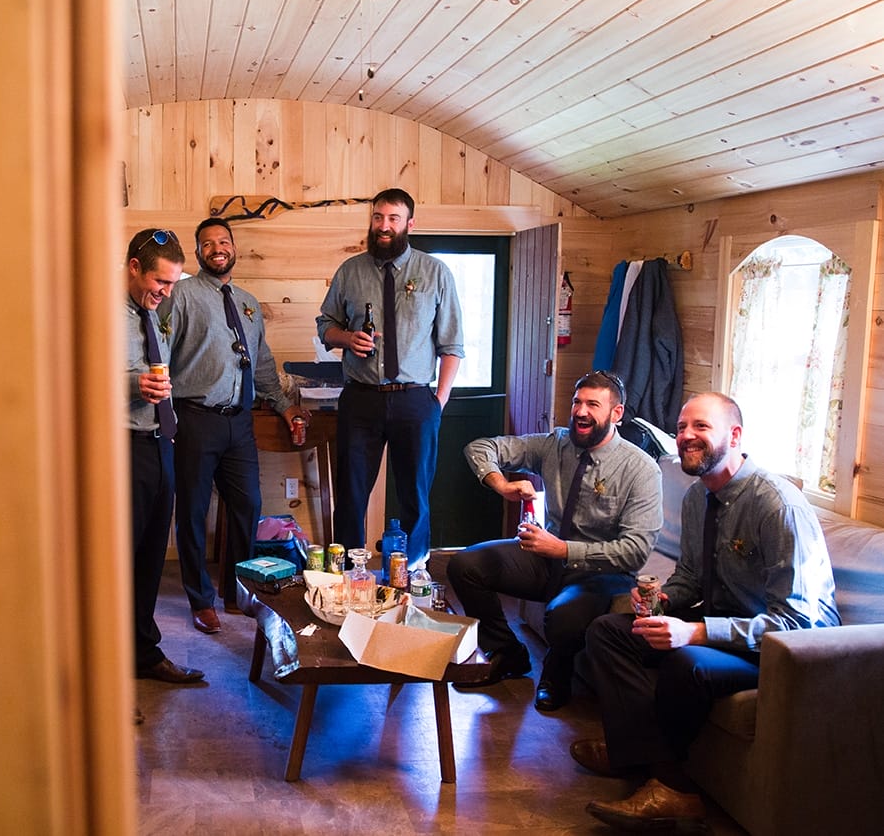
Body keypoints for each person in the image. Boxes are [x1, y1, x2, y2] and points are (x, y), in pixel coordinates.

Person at [573, 392, 838, 831]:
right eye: (681, 428)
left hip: (786, 653)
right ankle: (635, 755)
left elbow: (799, 622)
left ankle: (672, 789)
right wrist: (662, 601)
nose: (686, 437)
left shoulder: (777, 506)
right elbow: (692, 577)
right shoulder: (699, 496)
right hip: (725, 624)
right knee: (608, 631)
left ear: (734, 436)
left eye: (701, 427)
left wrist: (696, 633)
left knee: (686, 663)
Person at [447, 370, 662, 712]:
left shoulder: (642, 470)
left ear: (616, 414)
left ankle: (556, 673)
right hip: (547, 557)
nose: (581, 411)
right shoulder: (554, 444)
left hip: (600, 572)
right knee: (465, 565)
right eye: (577, 402)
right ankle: (508, 653)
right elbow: (480, 447)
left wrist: (562, 549)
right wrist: (502, 485)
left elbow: (634, 552)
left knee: (563, 618)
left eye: (593, 404)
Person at [163, 217, 307, 634]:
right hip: (194, 420)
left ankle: (237, 590)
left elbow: (262, 364)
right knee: (191, 511)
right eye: (207, 244)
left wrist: (282, 406)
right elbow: (161, 351)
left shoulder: (247, 302)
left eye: (223, 241)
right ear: (198, 253)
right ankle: (200, 599)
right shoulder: (182, 295)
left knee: (247, 506)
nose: (217, 248)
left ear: (234, 248)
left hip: (239, 423)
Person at [315, 188, 464, 570]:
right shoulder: (350, 271)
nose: (384, 226)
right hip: (360, 397)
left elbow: (452, 345)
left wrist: (438, 401)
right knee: (350, 493)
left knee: (415, 494)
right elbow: (325, 325)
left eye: (393, 219)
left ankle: (411, 570)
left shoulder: (435, 273)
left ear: (409, 224)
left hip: (416, 399)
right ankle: (344, 573)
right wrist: (347, 338)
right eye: (378, 217)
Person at [125, 228, 205, 695]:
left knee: (152, 557)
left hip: (159, 442)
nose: (168, 292)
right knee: (117, 562)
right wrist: (130, 385)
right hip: (119, 448)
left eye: (174, 283)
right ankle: (106, 674)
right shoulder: (100, 312)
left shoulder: (151, 311)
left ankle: (143, 652)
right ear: (135, 267)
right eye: (162, 282)